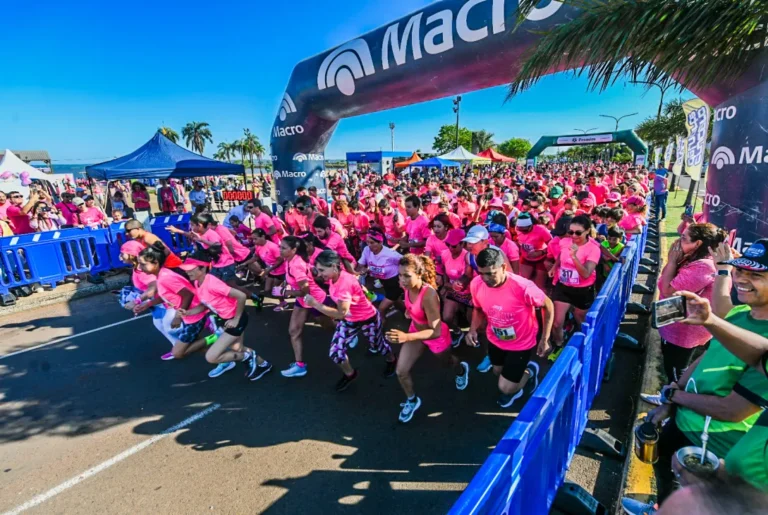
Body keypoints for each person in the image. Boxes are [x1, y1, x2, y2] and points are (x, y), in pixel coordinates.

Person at [642, 239, 768, 506]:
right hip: (684, 423)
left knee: (690, 503)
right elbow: (705, 358)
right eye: (740, 270)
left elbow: (731, 410)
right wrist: (670, 401)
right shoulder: (741, 314)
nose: (742, 279)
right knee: (665, 479)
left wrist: (673, 396)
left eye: (756, 275)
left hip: (711, 443)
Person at [385, 254, 470, 423]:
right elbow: (411, 306)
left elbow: (435, 331)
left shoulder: (429, 295)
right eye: (400, 275)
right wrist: (410, 312)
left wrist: (406, 336)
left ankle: (461, 370)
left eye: (407, 275)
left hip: (434, 336)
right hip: (415, 332)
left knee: (448, 363)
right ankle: (412, 400)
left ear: (419, 274)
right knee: (401, 371)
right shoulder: (406, 287)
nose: (402, 280)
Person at [644, 223, 726, 392]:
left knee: (676, 369)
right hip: (675, 322)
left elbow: (668, 290)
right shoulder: (691, 258)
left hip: (685, 331)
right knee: (670, 361)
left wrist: (672, 261)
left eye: (684, 238)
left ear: (698, 243)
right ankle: (669, 393)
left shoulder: (703, 266)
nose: (678, 240)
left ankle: (673, 400)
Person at [467, 247, 553, 407]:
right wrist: (472, 329)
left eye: (490, 273)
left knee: (505, 388)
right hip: (495, 339)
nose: (485, 279)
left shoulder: (523, 287)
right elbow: (478, 309)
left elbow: (548, 305)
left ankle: (530, 372)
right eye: (481, 273)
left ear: (503, 267)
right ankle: (517, 375)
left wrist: (545, 338)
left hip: (521, 343)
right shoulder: (476, 284)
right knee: (497, 371)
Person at [304, 250, 397, 391]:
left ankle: (392, 359)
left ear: (334, 266)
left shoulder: (344, 284)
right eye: (318, 270)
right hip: (350, 321)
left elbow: (341, 313)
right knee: (336, 353)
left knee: (378, 346)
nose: (320, 273)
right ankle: (350, 374)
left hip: (368, 319)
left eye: (322, 270)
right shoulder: (333, 276)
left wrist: (315, 304)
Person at [178, 249, 272, 380]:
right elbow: (205, 305)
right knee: (238, 348)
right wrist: (188, 312)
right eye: (186, 269)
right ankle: (264, 364)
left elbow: (241, 295)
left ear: (203, 268)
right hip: (225, 319)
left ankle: (247, 357)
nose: (188, 272)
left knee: (211, 357)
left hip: (235, 319)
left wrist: (236, 319)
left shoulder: (212, 284)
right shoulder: (197, 282)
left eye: (191, 269)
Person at [134, 242, 210, 363]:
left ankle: (217, 335)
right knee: (196, 343)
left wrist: (177, 317)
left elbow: (188, 294)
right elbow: (166, 296)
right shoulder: (161, 275)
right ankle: (223, 360)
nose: (139, 267)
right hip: (187, 316)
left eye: (143, 264)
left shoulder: (166, 278)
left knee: (178, 353)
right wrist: (147, 304)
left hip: (194, 316)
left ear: (155, 263)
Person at [278, 236, 333, 378]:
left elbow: (306, 291)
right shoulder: (289, 260)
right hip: (303, 301)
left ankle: (346, 331)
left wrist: (285, 292)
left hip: (315, 300)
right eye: (280, 247)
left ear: (294, 250)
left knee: (329, 327)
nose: (280, 250)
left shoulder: (296, 265)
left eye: (283, 248)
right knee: (294, 331)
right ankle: (300, 366)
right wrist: (285, 286)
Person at [117, 240, 177, 360]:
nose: (120, 256)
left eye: (122, 253)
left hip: (164, 301)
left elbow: (153, 287)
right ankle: (177, 347)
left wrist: (137, 301)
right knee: (160, 324)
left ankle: (186, 343)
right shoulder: (138, 268)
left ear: (131, 254)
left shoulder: (142, 270)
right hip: (157, 303)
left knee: (169, 326)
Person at [548, 215, 602, 347]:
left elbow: (586, 274)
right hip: (563, 287)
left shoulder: (593, 249)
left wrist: (574, 257)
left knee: (580, 319)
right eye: (570, 232)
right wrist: (555, 267)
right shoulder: (564, 242)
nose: (573, 235)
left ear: (587, 231)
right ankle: (559, 345)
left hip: (583, 290)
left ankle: (586, 345)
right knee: (556, 323)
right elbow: (561, 255)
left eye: (578, 233)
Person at [356, 228, 403, 318]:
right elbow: (360, 265)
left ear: (380, 242)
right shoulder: (366, 250)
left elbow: (406, 261)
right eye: (367, 242)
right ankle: (409, 316)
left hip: (394, 282)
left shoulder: (390, 254)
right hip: (383, 281)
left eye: (372, 242)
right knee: (397, 302)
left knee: (381, 309)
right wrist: (360, 271)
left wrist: (403, 275)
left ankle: (380, 325)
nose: (369, 245)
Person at [440, 229, 474, 346]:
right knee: (447, 317)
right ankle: (457, 332)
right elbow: (444, 270)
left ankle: (473, 336)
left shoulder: (468, 257)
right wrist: (445, 283)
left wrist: (448, 286)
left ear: (462, 244)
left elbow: (467, 278)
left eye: (454, 245)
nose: (450, 248)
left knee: (473, 321)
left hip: (469, 293)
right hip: (453, 291)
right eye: (448, 244)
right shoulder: (445, 254)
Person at [516, 213, 552, 290]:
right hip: (526, 258)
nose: (523, 232)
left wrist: (541, 252)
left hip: (541, 258)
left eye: (525, 230)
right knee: (522, 283)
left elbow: (552, 245)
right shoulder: (517, 229)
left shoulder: (541, 230)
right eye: (520, 230)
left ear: (531, 225)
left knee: (539, 286)